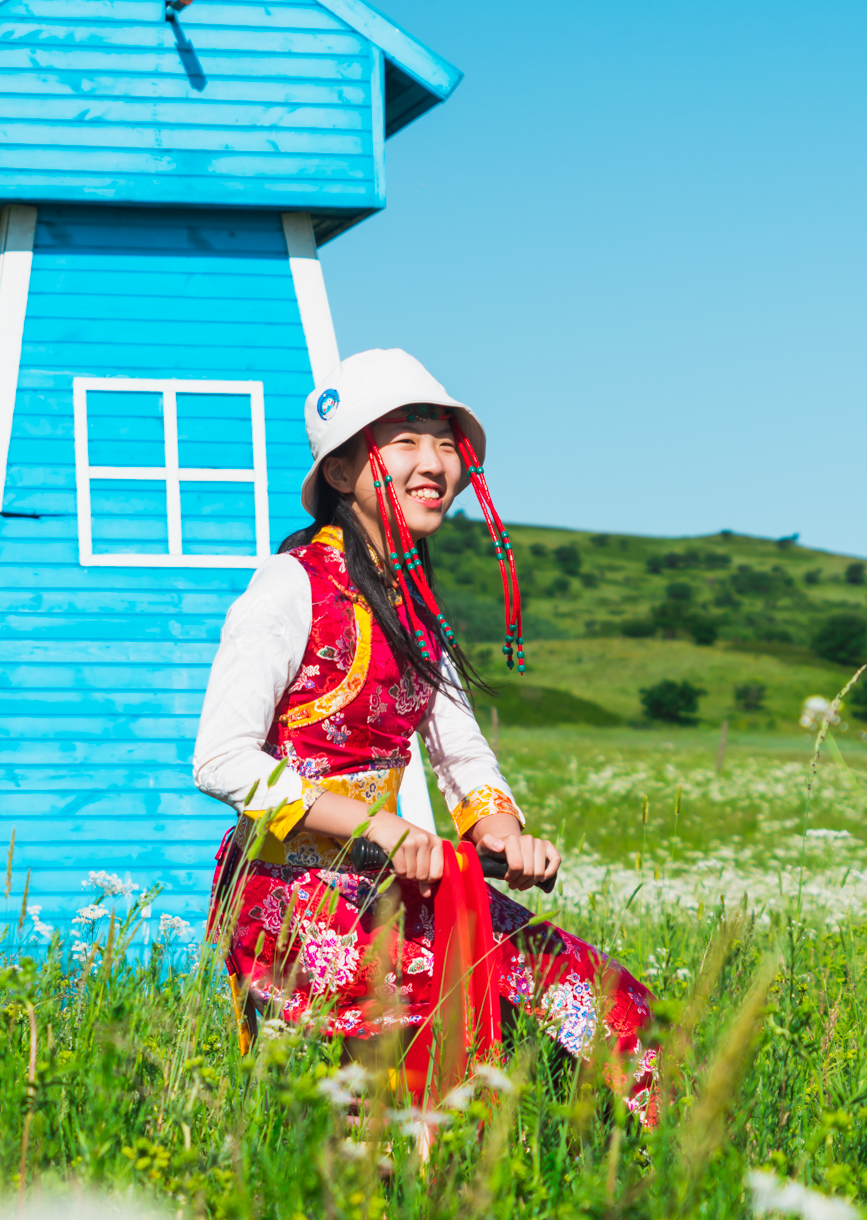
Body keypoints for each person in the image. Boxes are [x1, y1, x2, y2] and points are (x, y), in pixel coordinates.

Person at [193, 349, 657, 1124]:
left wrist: (507, 835)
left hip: (399, 879)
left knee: (605, 1003)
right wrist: (374, 823)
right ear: (342, 474)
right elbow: (220, 759)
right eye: (404, 440)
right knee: (410, 1045)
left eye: (445, 443)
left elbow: (461, 755)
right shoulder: (290, 586)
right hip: (295, 894)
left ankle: (644, 1163)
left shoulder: (414, 606)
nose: (434, 462)